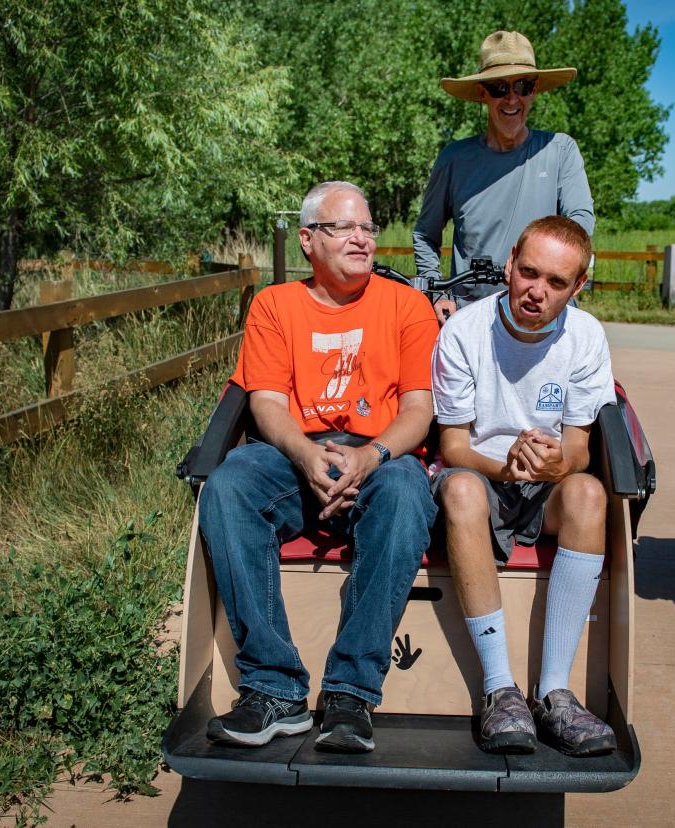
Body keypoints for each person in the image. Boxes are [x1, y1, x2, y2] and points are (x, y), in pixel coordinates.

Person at [198, 181, 439, 753]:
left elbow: (419, 410)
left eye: (368, 228)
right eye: (343, 228)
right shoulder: (275, 305)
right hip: (292, 453)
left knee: (406, 493)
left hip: (380, 455)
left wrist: (368, 456)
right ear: (307, 240)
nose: (362, 238)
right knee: (229, 485)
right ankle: (274, 688)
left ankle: (350, 694)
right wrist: (306, 456)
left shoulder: (407, 306)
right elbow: (266, 403)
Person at [430, 216, 617, 757]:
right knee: (460, 489)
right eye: (528, 272)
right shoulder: (464, 330)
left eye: (556, 283)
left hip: (544, 487)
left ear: (578, 286)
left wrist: (557, 464)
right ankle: (498, 689)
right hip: (482, 476)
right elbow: (454, 448)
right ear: (510, 262)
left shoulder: (586, 337)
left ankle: (555, 692)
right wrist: (506, 465)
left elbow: (580, 450)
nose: (536, 292)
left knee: (589, 494)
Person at [413, 30, 594, 324]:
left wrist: (538, 272)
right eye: (499, 88)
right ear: (482, 93)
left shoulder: (560, 151)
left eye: (522, 86)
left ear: (534, 90)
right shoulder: (454, 158)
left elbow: (579, 226)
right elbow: (425, 235)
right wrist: (436, 291)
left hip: (545, 317)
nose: (512, 98)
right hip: (471, 317)